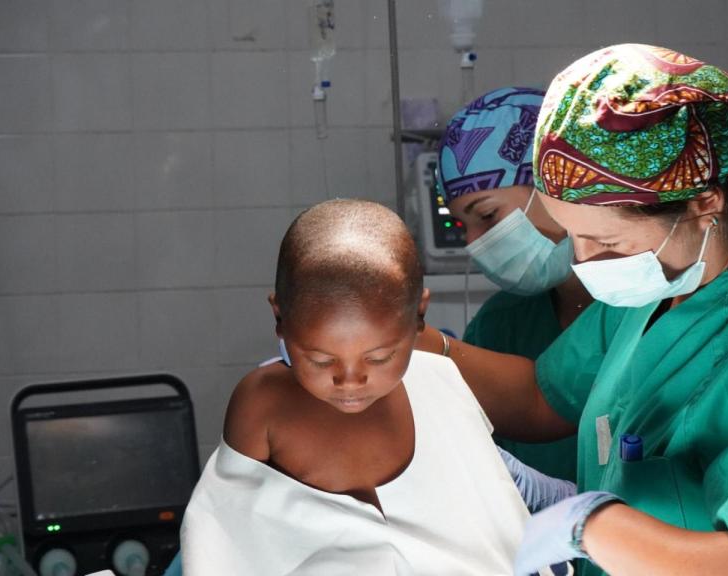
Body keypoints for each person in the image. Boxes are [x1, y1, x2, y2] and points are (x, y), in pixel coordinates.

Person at [417, 44, 728, 576]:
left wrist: (595, 526)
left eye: (608, 244)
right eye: (571, 236)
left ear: (703, 203)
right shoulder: (665, 282)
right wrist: (407, 337)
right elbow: (541, 395)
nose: (585, 262)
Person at [179, 199, 554, 576]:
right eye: (321, 360)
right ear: (280, 318)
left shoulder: (440, 383)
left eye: (377, 358)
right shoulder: (265, 404)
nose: (350, 380)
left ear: (419, 316)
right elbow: (221, 539)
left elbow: (491, 526)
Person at [438, 87, 594, 483]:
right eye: (463, 227)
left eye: (488, 216)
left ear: (556, 185)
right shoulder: (500, 325)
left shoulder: (642, 303)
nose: (474, 243)